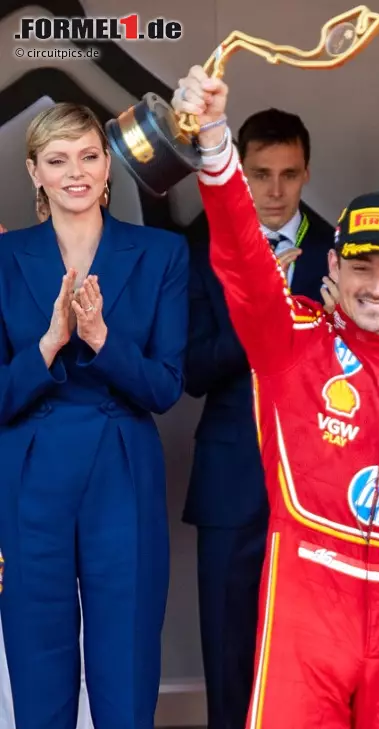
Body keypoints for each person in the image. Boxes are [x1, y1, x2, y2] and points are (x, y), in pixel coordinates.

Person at [172, 64, 379, 729]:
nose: (376, 286)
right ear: (332, 265)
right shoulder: (290, 340)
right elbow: (238, 256)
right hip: (306, 623)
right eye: (361, 267)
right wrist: (212, 137)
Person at [0, 102, 188, 729]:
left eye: (88, 156)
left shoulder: (162, 253)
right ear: (34, 172)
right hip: (31, 475)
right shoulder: (4, 258)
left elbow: (165, 387)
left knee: (126, 660)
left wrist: (103, 340)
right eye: (58, 160)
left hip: (121, 468)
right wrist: (50, 344)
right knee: (37, 660)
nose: (75, 173)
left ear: (109, 165)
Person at [181, 107, 335, 729]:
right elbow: (190, 372)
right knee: (228, 653)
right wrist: (259, 315)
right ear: (237, 171)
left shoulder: (341, 246)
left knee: (320, 654)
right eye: (261, 173)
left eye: (289, 175)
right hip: (231, 478)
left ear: (306, 173)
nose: (274, 190)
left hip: (324, 476)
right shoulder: (198, 243)